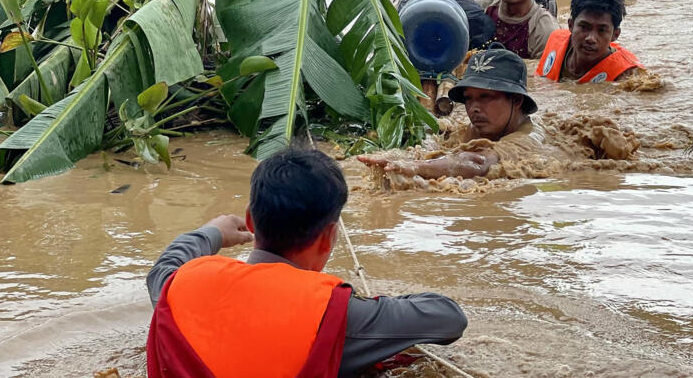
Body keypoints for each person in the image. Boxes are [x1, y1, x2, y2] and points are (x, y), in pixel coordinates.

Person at [145, 147, 467, 378]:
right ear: (329, 236)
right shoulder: (336, 310)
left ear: (250, 220)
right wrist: (372, 307)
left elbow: (166, 266)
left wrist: (212, 232)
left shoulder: (183, 285)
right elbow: (449, 318)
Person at [359, 43, 543, 179]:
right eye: (468, 98)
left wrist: (416, 167)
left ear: (516, 100)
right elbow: (452, 153)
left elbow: (478, 163)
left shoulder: (524, 140)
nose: (474, 108)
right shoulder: (479, 127)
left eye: (485, 97)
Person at [536, 0, 643, 83]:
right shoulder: (555, 40)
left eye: (601, 30)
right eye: (584, 27)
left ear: (615, 35)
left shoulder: (627, 74)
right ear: (571, 25)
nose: (591, 38)